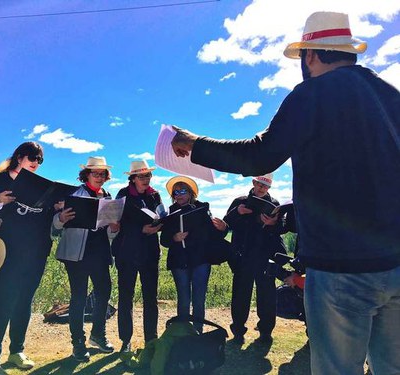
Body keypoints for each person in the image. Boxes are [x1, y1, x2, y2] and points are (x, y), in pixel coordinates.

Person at [171, 11, 400, 375]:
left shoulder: (312, 94)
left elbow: (260, 154)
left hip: (341, 267)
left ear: (310, 55)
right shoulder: (391, 96)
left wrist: (195, 144)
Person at [0, 141, 55, 374]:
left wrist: (58, 206)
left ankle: (16, 351)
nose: (36, 162)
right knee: (3, 303)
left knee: (24, 302)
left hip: (35, 252)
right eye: (32, 157)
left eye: (40, 160)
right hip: (4, 252)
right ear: (19, 157)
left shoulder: (43, 186)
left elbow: (47, 218)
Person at [52, 156, 119, 362]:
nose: (99, 177)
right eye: (95, 173)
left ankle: (97, 335)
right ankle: (78, 344)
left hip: (99, 252)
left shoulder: (108, 197)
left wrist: (114, 229)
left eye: (102, 174)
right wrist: (60, 218)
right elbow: (55, 227)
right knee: (79, 298)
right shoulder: (72, 195)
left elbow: (109, 232)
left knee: (104, 292)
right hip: (76, 254)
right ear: (86, 175)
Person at [215, 173, 284, 344]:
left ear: (270, 187)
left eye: (266, 186)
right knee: (240, 294)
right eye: (260, 184)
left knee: (267, 295)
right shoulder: (239, 201)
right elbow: (226, 224)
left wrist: (272, 223)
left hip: (265, 256)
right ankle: (238, 331)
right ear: (253, 182)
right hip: (242, 255)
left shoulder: (275, 204)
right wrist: (237, 212)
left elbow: (281, 229)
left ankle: (266, 331)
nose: (262, 188)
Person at [160, 176, 224, 333]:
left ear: (190, 193)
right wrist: (174, 237)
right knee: (183, 299)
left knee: (199, 299)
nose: (179, 195)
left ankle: (198, 331)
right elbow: (164, 240)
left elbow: (215, 234)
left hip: (201, 259)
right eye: (175, 192)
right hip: (179, 261)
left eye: (182, 191)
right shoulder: (170, 213)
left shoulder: (202, 209)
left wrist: (223, 228)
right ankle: (183, 333)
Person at [111, 160, 163, 353]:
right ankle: (126, 341)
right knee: (126, 298)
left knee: (151, 298)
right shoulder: (122, 195)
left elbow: (162, 215)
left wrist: (160, 225)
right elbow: (117, 223)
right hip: (127, 253)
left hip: (150, 253)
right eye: (141, 176)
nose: (146, 179)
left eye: (148, 175)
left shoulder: (155, 195)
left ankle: (152, 339)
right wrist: (140, 229)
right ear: (132, 178)